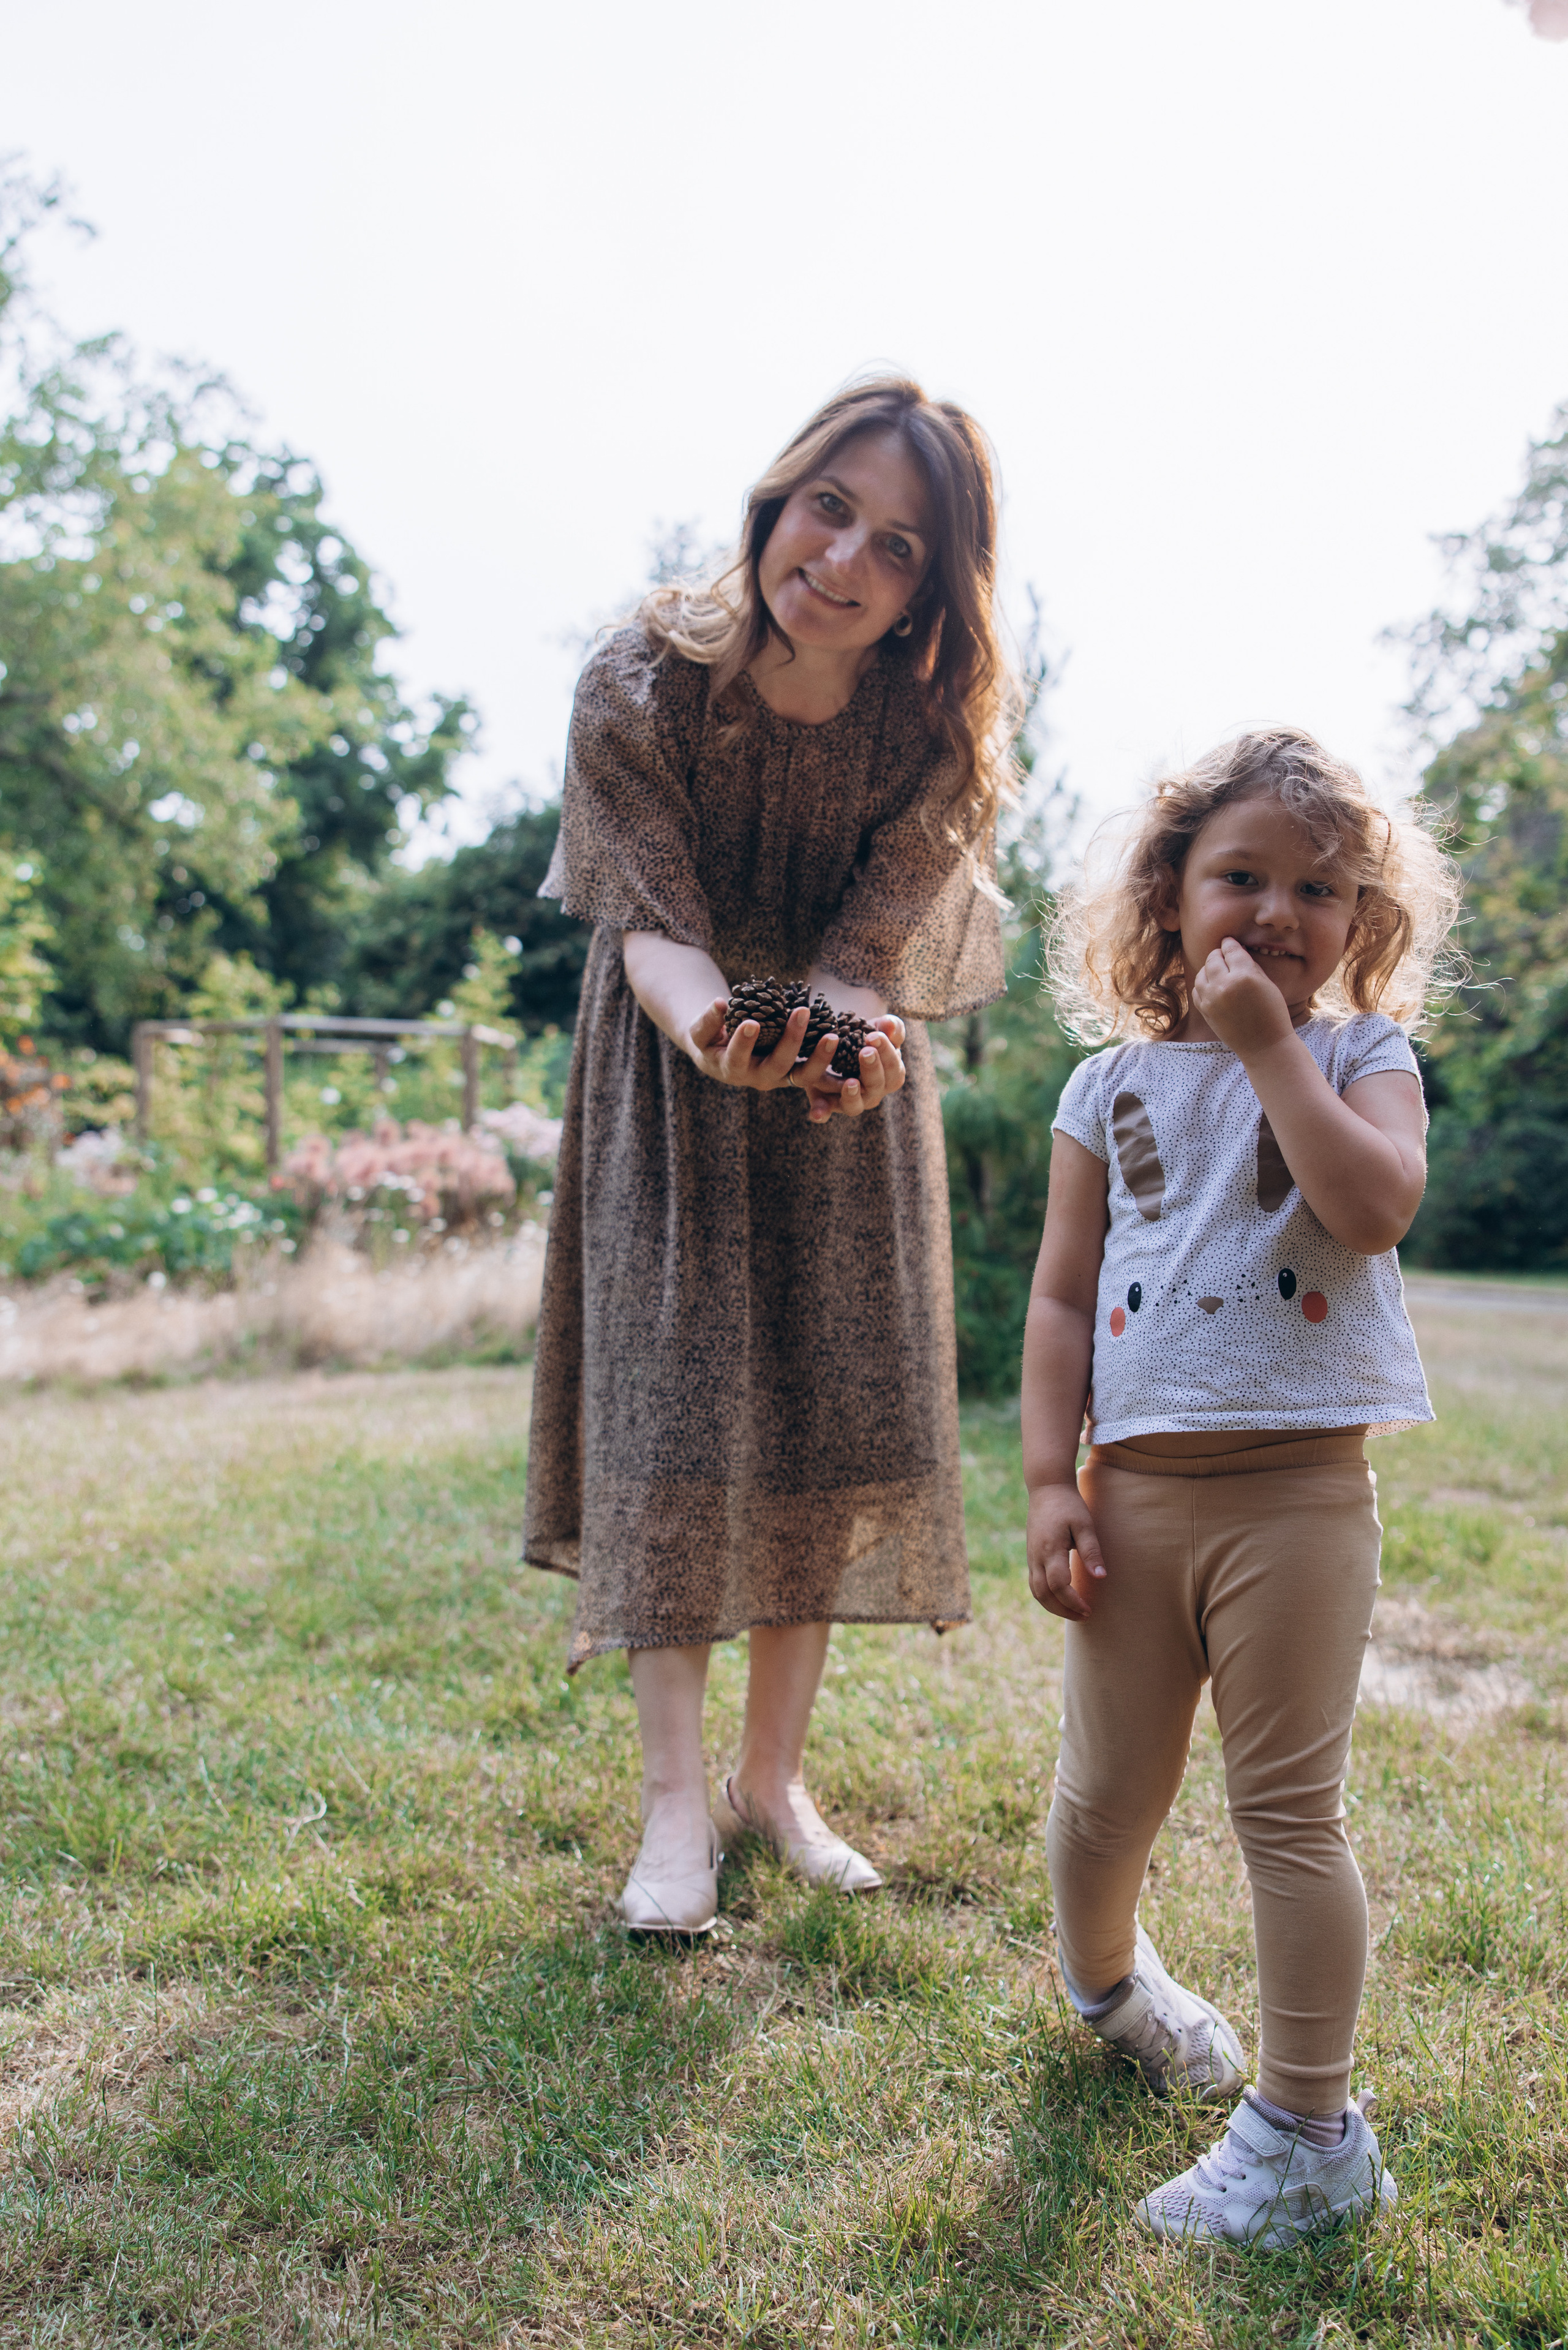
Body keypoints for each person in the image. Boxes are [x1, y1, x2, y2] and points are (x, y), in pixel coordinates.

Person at [524, 377, 1016, 1933]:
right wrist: (715, 1032)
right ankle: (675, 1803)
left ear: (930, 592)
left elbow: (867, 958)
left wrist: (834, 1044)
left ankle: (772, 1780)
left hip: (833, 1096)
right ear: (775, 497)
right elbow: (655, 932)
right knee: (673, 1419)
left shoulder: (925, 733)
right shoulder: (641, 680)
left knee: (819, 1407)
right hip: (673, 1076)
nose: (849, 556)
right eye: (832, 506)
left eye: (900, 546)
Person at [1023, 730, 1461, 2244]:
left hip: (1298, 1500)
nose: (1277, 908)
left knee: (1288, 1812)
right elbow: (1063, 1303)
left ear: (1360, 920)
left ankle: (1307, 2125)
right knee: (1103, 1799)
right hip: (1133, 1500)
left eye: (1318, 886)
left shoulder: (1359, 1057)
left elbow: (1373, 1202)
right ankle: (1107, 1980)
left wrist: (1278, 1046)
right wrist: (1043, 1481)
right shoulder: (1104, 1084)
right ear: (1169, 896)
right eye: (1240, 876)